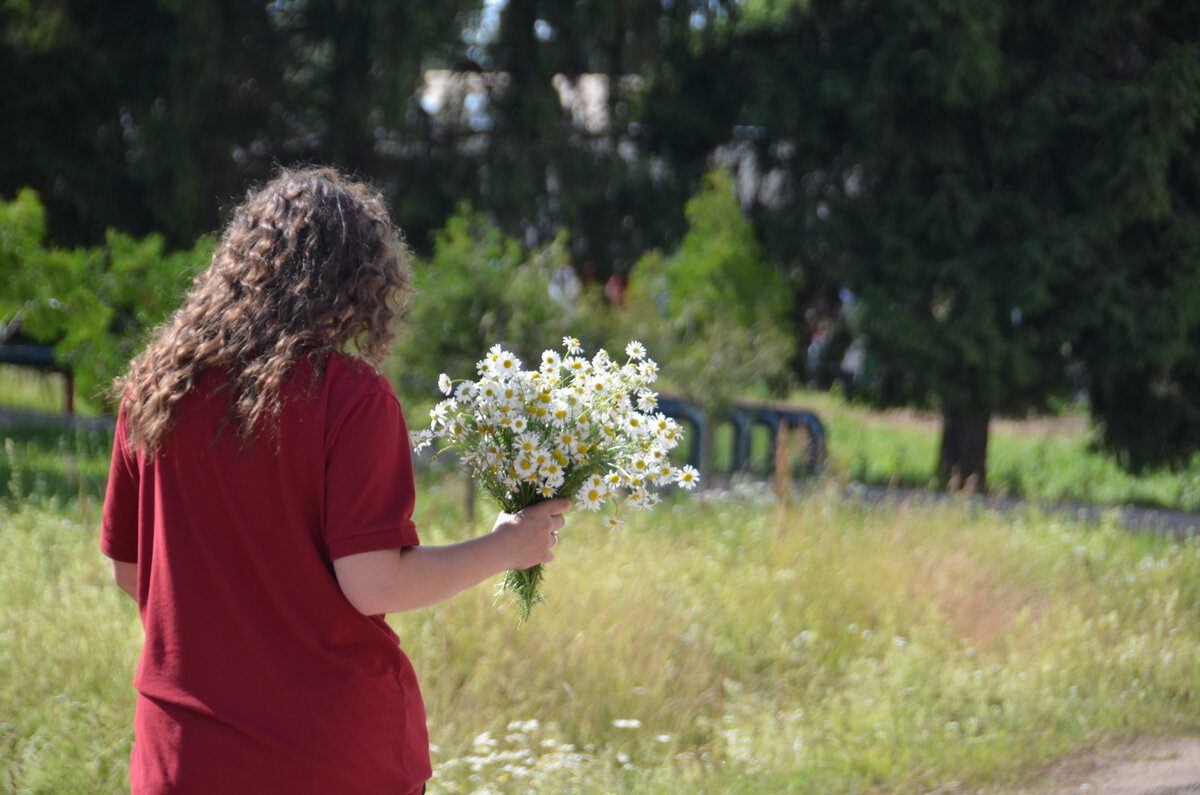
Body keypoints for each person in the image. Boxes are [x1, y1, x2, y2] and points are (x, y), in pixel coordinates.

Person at [100, 166, 569, 795]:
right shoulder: (349, 398)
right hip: (327, 760)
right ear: (356, 284)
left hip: (182, 759)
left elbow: (133, 574)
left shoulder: (155, 389)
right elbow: (373, 582)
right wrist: (508, 547)